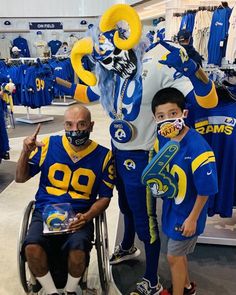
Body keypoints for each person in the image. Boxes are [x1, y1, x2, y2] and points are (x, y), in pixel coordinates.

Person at [54, 4, 218, 294]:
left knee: (146, 220)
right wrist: (68, 75)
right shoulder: (109, 67)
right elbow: (89, 94)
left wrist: (194, 71)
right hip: (119, 150)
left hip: (146, 155)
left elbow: (208, 101)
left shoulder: (159, 60)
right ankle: (128, 246)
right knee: (126, 207)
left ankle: (152, 280)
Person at [15, 105, 115, 295]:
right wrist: (25, 152)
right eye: (69, 125)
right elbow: (20, 178)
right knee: (32, 248)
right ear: (64, 125)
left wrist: (86, 217)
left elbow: (105, 198)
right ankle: (52, 291)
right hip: (45, 210)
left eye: (81, 124)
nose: (74, 130)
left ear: (91, 126)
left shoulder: (104, 156)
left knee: (78, 252)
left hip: (80, 215)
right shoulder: (48, 145)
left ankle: (70, 290)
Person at [151, 88, 218, 295]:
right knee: (179, 255)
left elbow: (206, 190)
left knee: (173, 257)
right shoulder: (162, 140)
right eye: (161, 116)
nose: (168, 120)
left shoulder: (199, 148)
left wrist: (192, 219)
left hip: (188, 213)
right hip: (172, 208)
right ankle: (188, 287)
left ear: (184, 114)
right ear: (155, 118)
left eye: (173, 114)